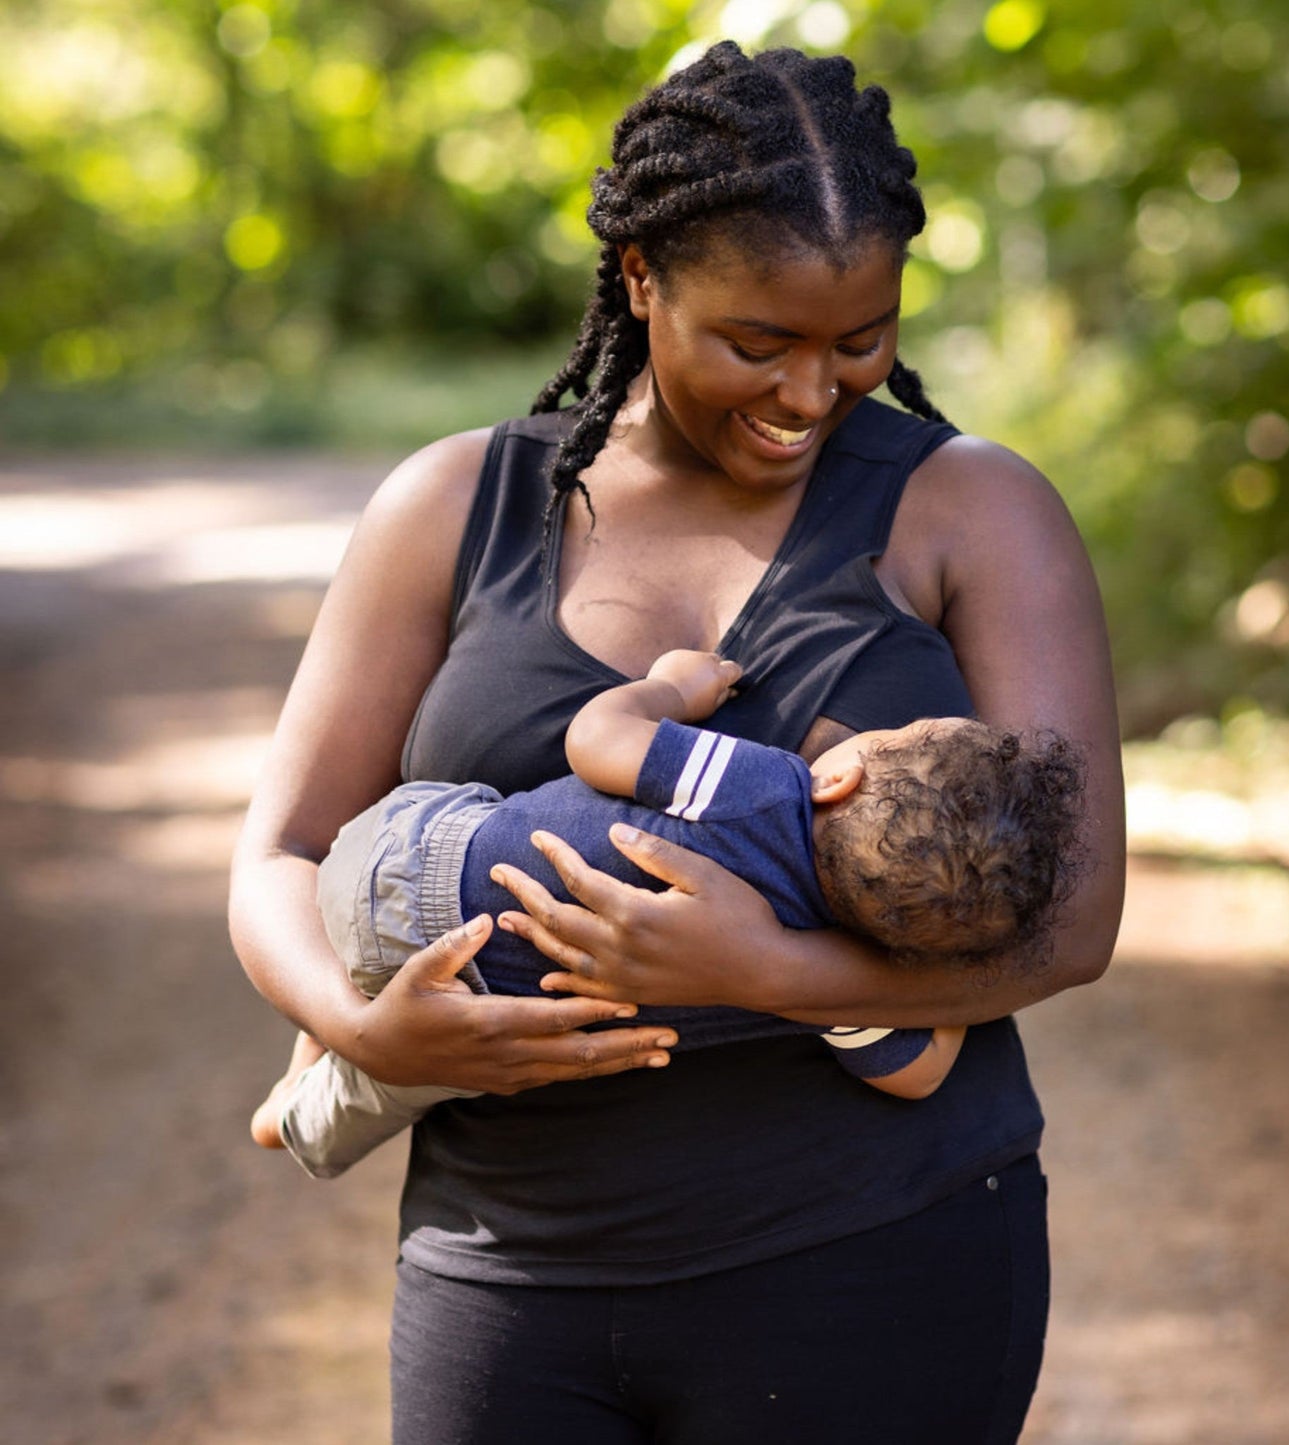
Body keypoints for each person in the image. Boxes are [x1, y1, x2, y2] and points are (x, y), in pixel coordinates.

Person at [229, 40, 1125, 1444]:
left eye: (860, 340)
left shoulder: (974, 514)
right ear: (639, 277)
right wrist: (359, 1025)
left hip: (875, 1264)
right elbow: (279, 851)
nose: (811, 394)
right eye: (756, 342)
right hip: (504, 1272)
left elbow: (1070, 923)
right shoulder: (454, 505)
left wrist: (770, 972)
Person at [250, 646, 1085, 1179]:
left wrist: (671, 686)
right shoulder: (828, 966)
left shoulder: (765, 787)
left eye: (897, 729)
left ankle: (331, 1006)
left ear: (839, 777)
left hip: (399, 872)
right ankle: (297, 1113)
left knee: (457, 808)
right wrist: (935, 972)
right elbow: (918, 1073)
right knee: (420, 1076)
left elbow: (597, 739)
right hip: (477, 1016)